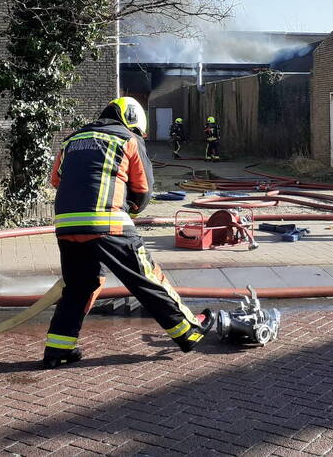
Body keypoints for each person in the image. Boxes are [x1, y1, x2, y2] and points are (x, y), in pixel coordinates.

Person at [43, 97, 213, 368]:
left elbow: (56, 180)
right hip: (109, 223)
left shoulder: (71, 141)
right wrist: (131, 209)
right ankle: (188, 331)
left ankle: (57, 348)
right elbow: (143, 190)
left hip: (66, 225)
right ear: (132, 119)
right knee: (147, 279)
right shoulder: (127, 139)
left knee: (79, 287)